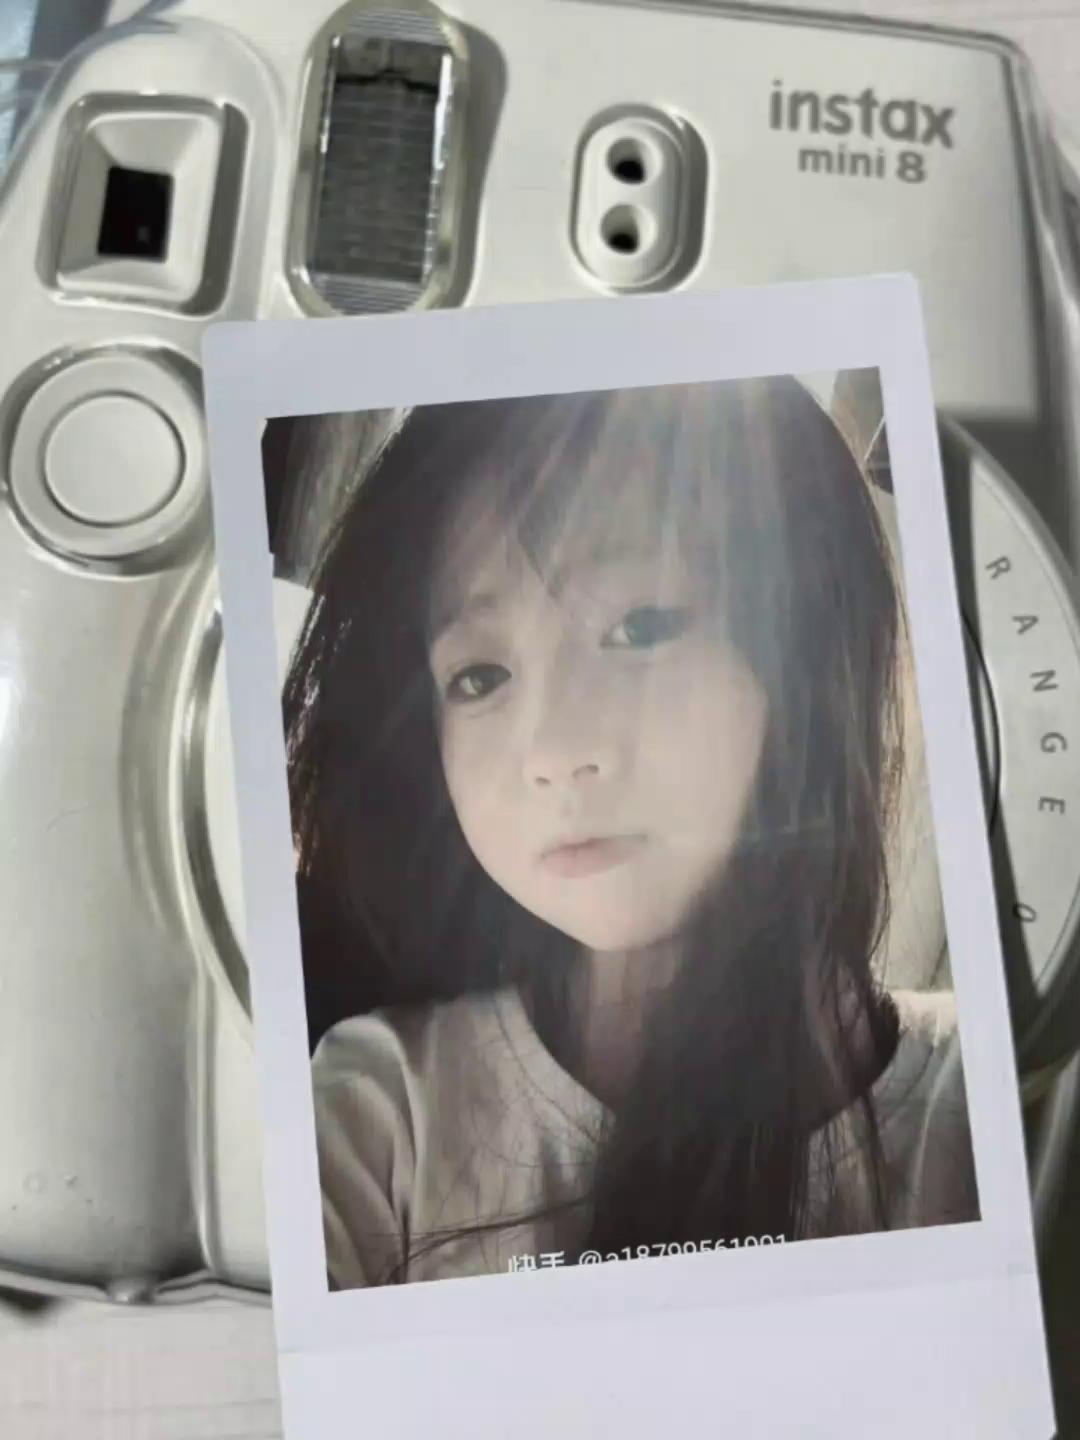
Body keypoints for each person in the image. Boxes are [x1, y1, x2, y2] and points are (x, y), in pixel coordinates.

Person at [281, 376, 979, 1290]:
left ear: (809, 656)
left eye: (641, 627)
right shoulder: (378, 1113)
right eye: (480, 677)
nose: (555, 751)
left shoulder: (995, 1105)